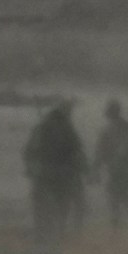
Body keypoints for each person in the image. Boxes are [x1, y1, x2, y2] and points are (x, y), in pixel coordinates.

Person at [22, 103, 87, 241]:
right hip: (61, 174)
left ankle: (42, 233)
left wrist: (30, 168)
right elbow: (77, 152)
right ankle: (58, 232)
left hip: (43, 173)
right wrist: (81, 169)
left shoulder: (40, 128)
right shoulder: (67, 129)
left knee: (41, 206)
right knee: (61, 205)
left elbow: (28, 152)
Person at [93, 100, 128, 227]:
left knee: (115, 205)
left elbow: (99, 153)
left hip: (116, 172)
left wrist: (96, 170)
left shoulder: (105, 131)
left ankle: (117, 232)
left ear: (109, 114)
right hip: (127, 173)